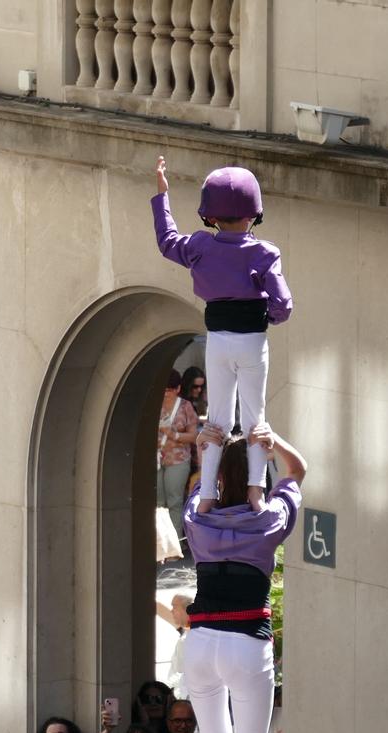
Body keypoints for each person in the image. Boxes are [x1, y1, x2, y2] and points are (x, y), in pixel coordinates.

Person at [178, 426, 306, 733]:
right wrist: (274, 444)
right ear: (258, 472)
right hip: (246, 641)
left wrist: (203, 450)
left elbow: (199, 491)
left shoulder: (200, 519)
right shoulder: (270, 518)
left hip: (201, 642)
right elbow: (299, 471)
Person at [151, 156, 291, 510]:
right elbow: (283, 305)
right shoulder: (264, 252)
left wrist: (162, 196)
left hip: (218, 340)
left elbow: (167, 241)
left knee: (217, 419)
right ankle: (256, 491)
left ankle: (209, 493)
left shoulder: (200, 246)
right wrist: (267, 315)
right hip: (252, 340)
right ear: (253, 214)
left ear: (210, 216)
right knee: (254, 418)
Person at [155, 369, 200, 545]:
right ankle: (159, 545)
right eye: (164, 389)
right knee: (158, 502)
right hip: (156, 458)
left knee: (174, 500)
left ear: (178, 388)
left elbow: (194, 436)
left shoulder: (185, 407)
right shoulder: (153, 402)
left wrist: (174, 435)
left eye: (170, 389)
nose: (166, 393)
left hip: (178, 459)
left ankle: (173, 545)